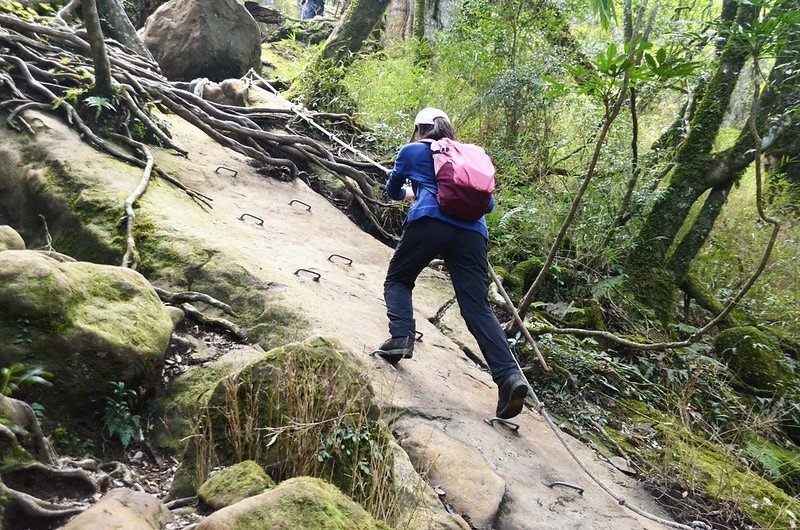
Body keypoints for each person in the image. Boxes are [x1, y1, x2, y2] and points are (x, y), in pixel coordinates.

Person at [378, 107, 529, 420]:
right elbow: (488, 203)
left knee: (399, 280)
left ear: (419, 129)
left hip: (429, 222)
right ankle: (510, 377)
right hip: (472, 233)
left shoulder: (412, 150)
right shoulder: (470, 155)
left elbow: (392, 191)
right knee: (477, 308)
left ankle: (402, 336)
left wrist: (412, 193)